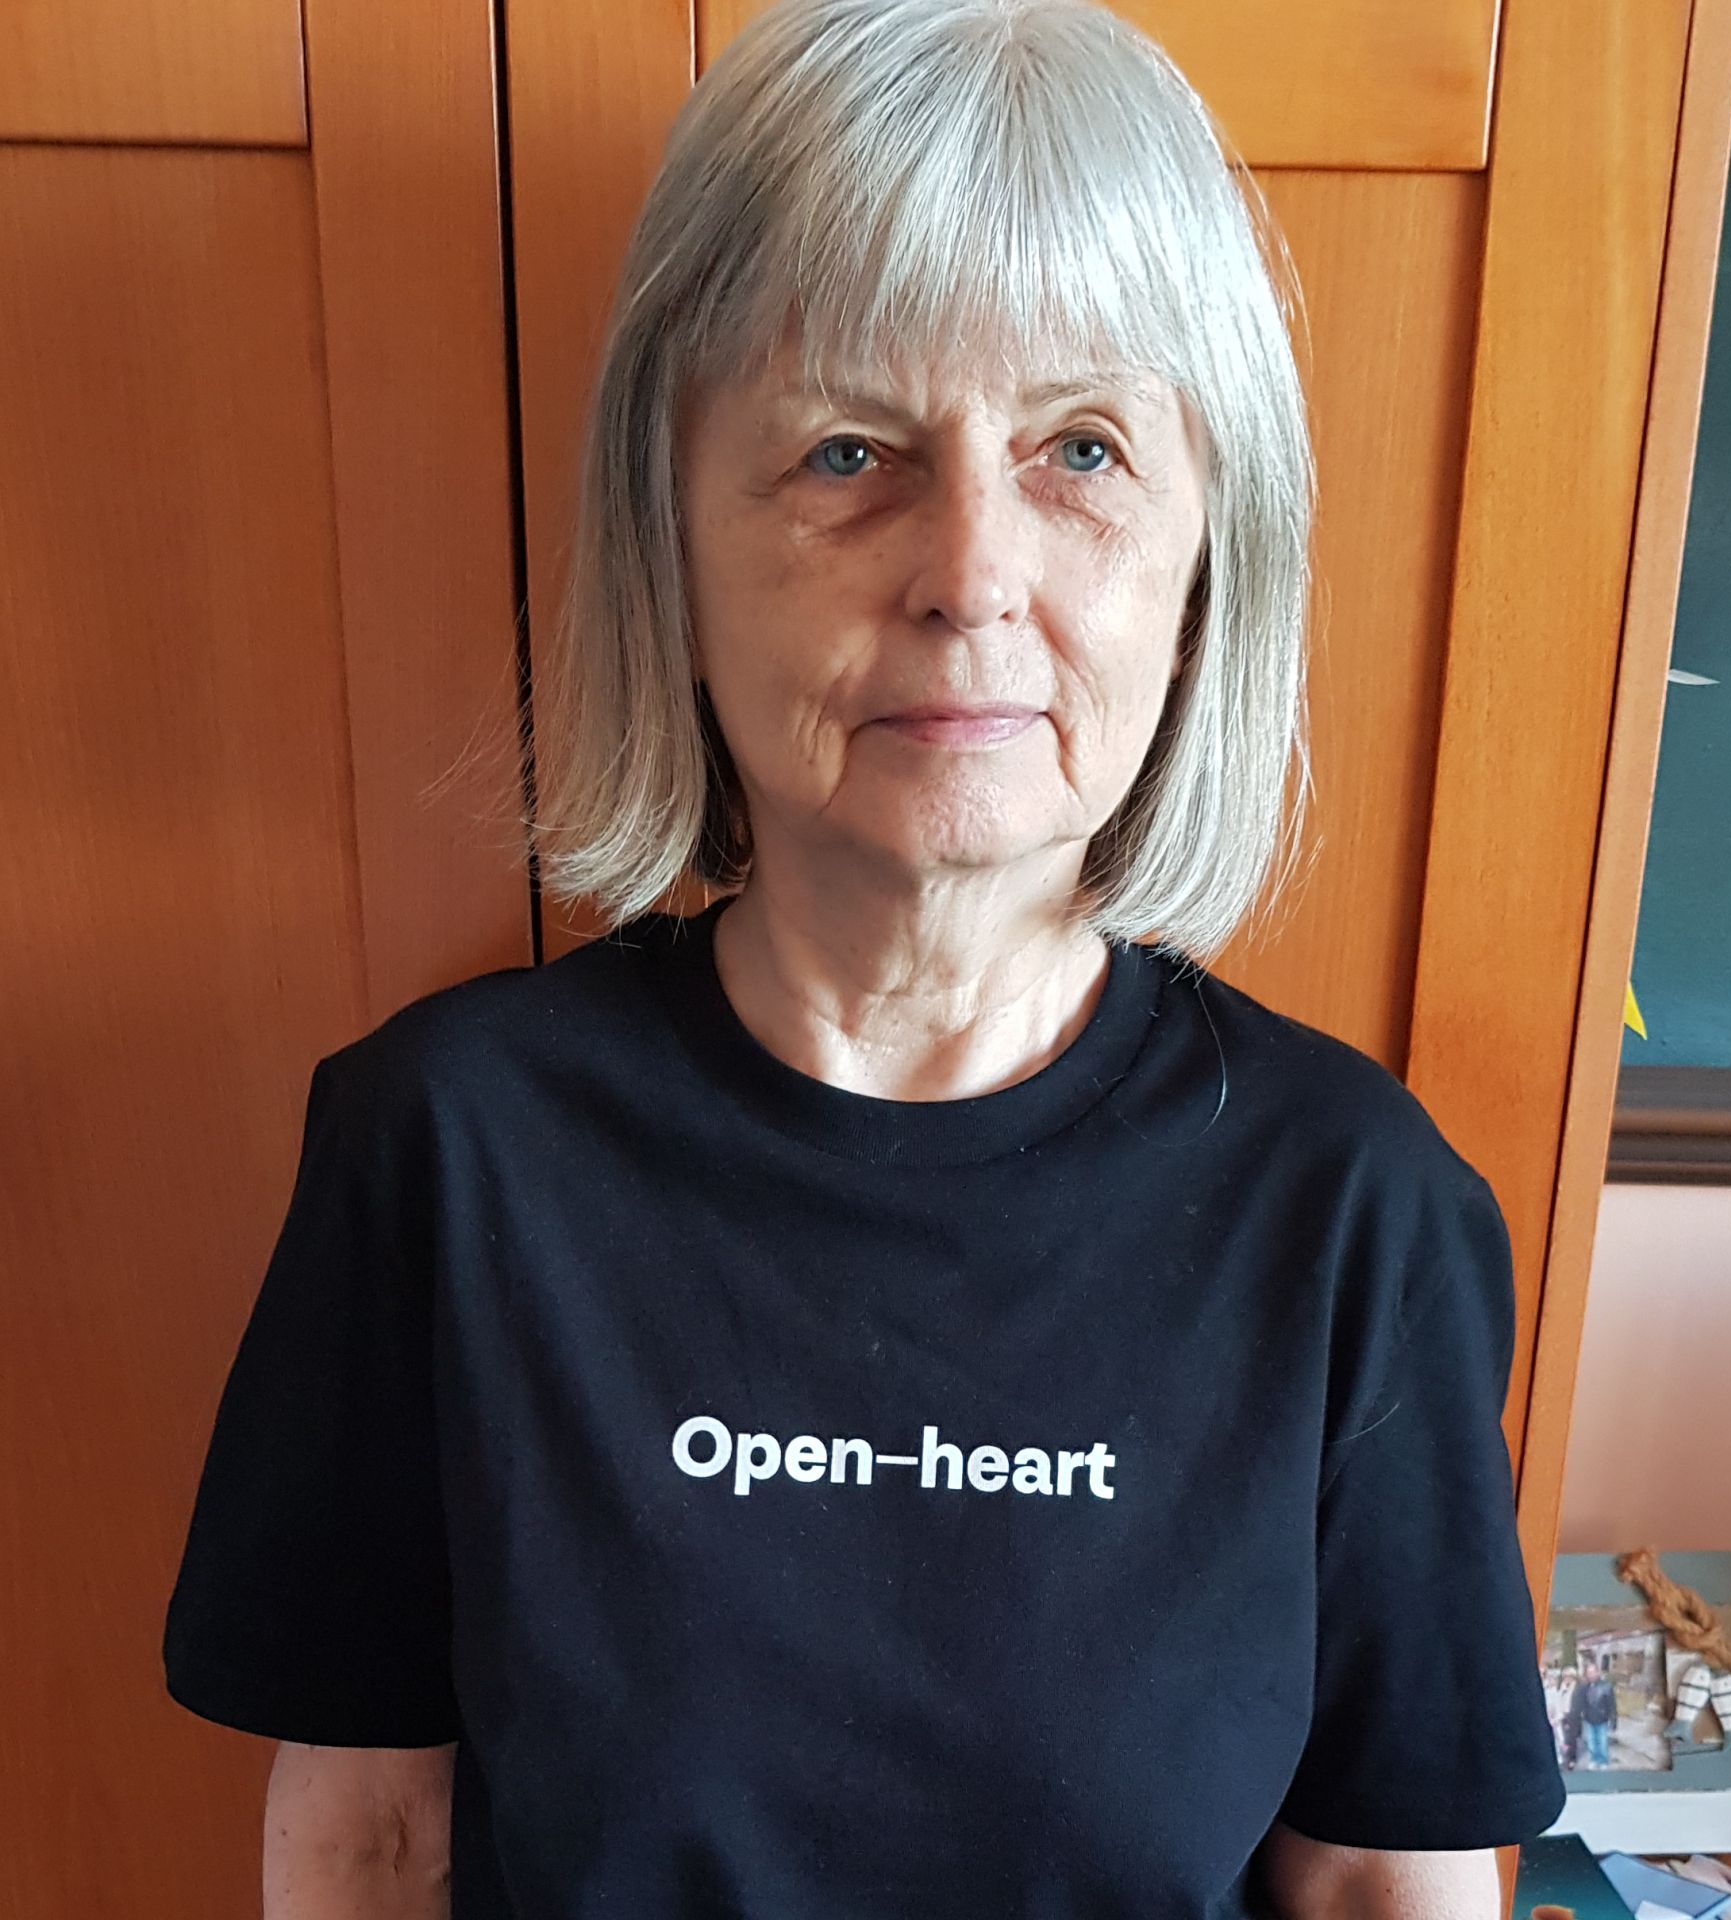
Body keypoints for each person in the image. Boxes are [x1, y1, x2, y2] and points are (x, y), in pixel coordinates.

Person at [160, 0, 1568, 1913]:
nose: (970, 574)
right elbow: (372, 1832)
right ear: (669, 541)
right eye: (847, 450)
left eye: (1082, 448)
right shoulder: (449, 1147)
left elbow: (1383, 1885)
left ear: (1204, 565)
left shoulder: (1355, 1209)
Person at [1576, 1657, 1619, 1768]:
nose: (1591, 1675)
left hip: (1602, 1719)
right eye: (1588, 1673)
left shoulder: (1606, 1686)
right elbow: (1581, 1702)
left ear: (1597, 1672)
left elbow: (1612, 1705)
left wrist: (1613, 1720)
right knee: (1591, 1742)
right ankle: (1594, 1759)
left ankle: (1603, 1761)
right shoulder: (1584, 1687)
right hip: (1588, 1719)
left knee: (1602, 1741)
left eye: (1592, 1672)